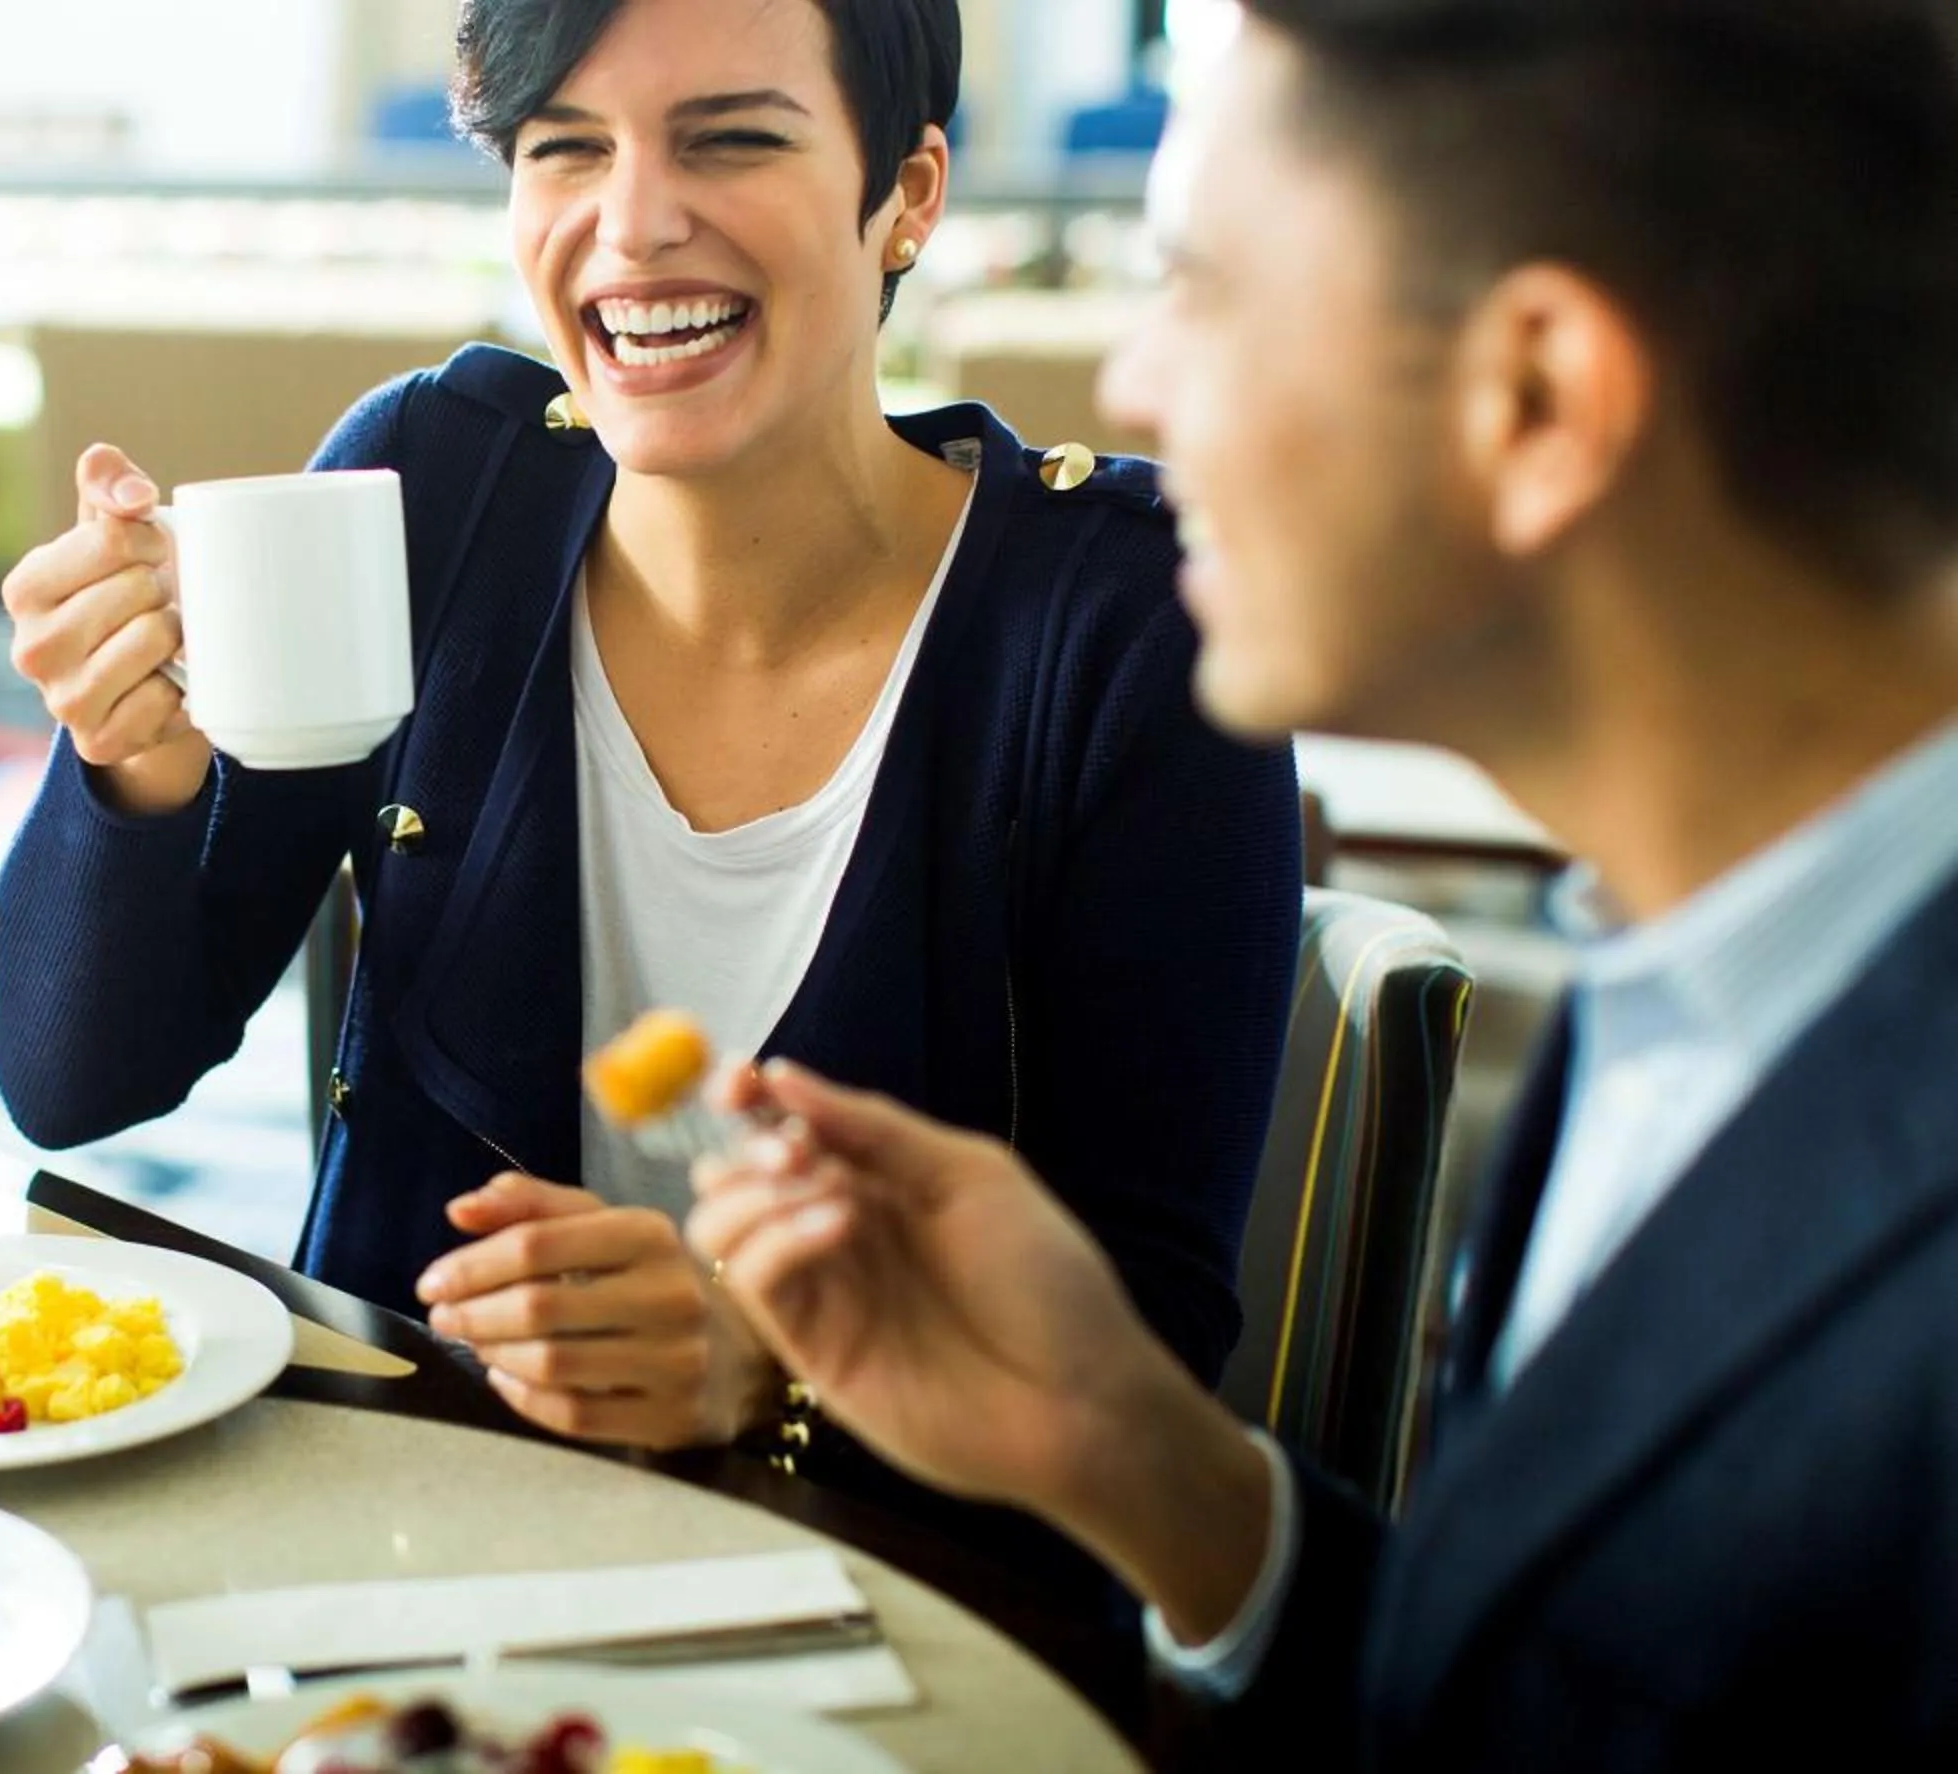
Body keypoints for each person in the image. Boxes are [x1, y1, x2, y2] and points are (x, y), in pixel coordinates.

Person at [689, 0, 1958, 1765]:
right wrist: (1143, 1455)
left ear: (1535, 396)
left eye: (1200, 288)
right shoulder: (1689, 976)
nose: (1131, 385)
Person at [0, 0, 1300, 1480]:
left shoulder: (1124, 629)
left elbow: (1154, 1333)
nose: (635, 222)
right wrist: (128, 758)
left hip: (906, 1602)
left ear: (908, 195)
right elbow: (78, 1081)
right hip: (402, 1549)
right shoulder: (434, 493)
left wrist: (776, 1373)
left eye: (731, 140)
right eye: (565, 150)